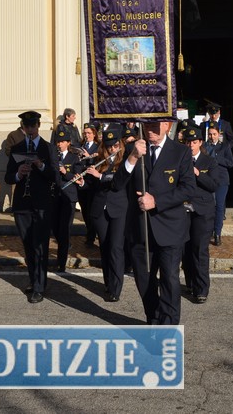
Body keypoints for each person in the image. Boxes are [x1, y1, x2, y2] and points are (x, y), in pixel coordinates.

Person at [117, 120, 196, 325]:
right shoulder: (133, 149)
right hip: (140, 228)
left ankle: (168, 327)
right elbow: (117, 184)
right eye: (147, 125)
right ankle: (153, 319)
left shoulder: (180, 151)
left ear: (167, 125)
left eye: (155, 125)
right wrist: (133, 157)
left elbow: (188, 188)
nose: (150, 129)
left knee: (169, 279)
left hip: (170, 228)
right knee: (144, 280)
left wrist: (157, 201)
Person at [5, 111, 60, 303]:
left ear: (38, 126)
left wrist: (40, 165)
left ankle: (39, 286)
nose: (30, 130)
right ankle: (33, 279)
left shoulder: (48, 148)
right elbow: (8, 177)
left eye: (33, 126)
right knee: (28, 245)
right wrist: (18, 174)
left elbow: (55, 176)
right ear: (23, 127)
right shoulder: (17, 148)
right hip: (22, 204)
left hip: (42, 204)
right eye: (27, 127)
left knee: (40, 246)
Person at [83, 126, 130, 302]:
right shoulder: (99, 161)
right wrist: (82, 182)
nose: (112, 149)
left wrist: (100, 176)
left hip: (119, 209)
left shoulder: (125, 161)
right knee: (104, 247)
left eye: (115, 145)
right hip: (100, 209)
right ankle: (109, 283)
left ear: (120, 145)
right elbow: (91, 185)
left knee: (116, 247)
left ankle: (116, 289)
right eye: (109, 146)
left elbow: (119, 181)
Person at [181, 127, 218, 303]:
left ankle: (202, 289)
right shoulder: (180, 160)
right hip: (183, 210)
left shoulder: (209, 161)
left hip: (202, 211)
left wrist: (197, 174)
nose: (191, 145)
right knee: (185, 250)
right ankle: (190, 283)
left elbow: (214, 185)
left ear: (200, 143)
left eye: (194, 142)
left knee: (200, 250)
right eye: (188, 142)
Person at [53, 129, 84, 272]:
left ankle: (61, 262)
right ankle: (63, 246)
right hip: (55, 196)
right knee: (55, 228)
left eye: (62, 142)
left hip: (68, 197)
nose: (59, 144)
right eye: (58, 142)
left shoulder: (74, 158)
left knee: (64, 229)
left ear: (68, 143)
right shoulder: (53, 156)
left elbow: (77, 177)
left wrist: (66, 172)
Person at [205, 120, 233, 245]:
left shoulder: (224, 146)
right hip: (208, 179)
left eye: (214, 134)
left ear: (218, 134)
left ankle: (217, 233)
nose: (212, 137)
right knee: (210, 206)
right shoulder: (204, 146)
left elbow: (230, 163)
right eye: (210, 134)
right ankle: (209, 231)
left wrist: (217, 158)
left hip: (222, 180)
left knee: (219, 207)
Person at [80, 123, 100, 248]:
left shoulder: (98, 147)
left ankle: (91, 236)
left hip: (92, 183)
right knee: (84, 210)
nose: (86, 135)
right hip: (82, 182)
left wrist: (89, 158)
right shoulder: (81, 146)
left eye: (89, 133)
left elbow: (100, 162)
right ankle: (89, 232)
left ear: (94, 134)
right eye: (85, 133)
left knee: (91, 210)